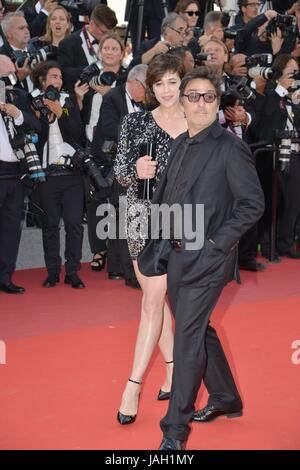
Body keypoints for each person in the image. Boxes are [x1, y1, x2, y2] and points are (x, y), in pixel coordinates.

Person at [138, 66, 264, 450]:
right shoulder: (180, 142)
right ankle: (226, 396)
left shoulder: (230, 147)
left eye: (209, 96)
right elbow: (167, 194)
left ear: (218, 103)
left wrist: (214, 245)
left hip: (207, 261)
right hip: (175, 256)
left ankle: (173, 430)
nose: (201, 103)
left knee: (187, 338)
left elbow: (252, 204)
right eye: (194, 95)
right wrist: (156, 241)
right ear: (184, 100)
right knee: (197, 327)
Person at [114, 53, 187, 424]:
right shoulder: (135, 122)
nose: (166, 90)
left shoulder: (197, 122)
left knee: (156, 302)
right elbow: (120, 174)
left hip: (186, 220)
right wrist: (134, 168)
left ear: (183, 82)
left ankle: (152, 377)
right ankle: (149, 380)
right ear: (150, 88)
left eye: (173, 82)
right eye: (159, 84)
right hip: (142, 218)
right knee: (153, 300)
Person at [31, 61, 86, 288]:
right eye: (53, 77)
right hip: (46, 175)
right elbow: (34, 134)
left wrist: (59, 112)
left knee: (74, 223)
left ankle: (72, 271)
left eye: (60, 77)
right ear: (43, 81)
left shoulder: (67, 101)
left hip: (71, 174)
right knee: (50, 225)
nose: (58, 81)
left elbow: (78, 131)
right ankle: (52, 271)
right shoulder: (32, 100)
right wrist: (40, 113)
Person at [0, 55, 41, 293]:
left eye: (9, 78)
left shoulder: (19, 98)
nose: (7, 83)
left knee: (11, 229)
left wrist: (17, 114)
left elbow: (38, 128)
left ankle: (5, 277)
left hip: (16, 174)